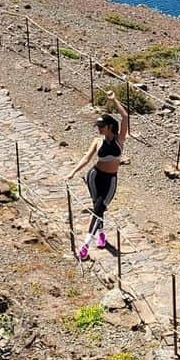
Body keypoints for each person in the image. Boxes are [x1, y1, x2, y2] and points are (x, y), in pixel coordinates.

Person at [65, 90, 129, 260]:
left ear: (109, 126)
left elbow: (125, 117)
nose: (99, 129)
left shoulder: (119, 139)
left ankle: (94, 237)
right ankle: (90, 242)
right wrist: (73, 172)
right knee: (97, 209)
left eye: (101, 126)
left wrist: (114, 99)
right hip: (94, 177)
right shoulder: (97, 141)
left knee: (99, 208)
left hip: (111, 179)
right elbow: (87, 157)